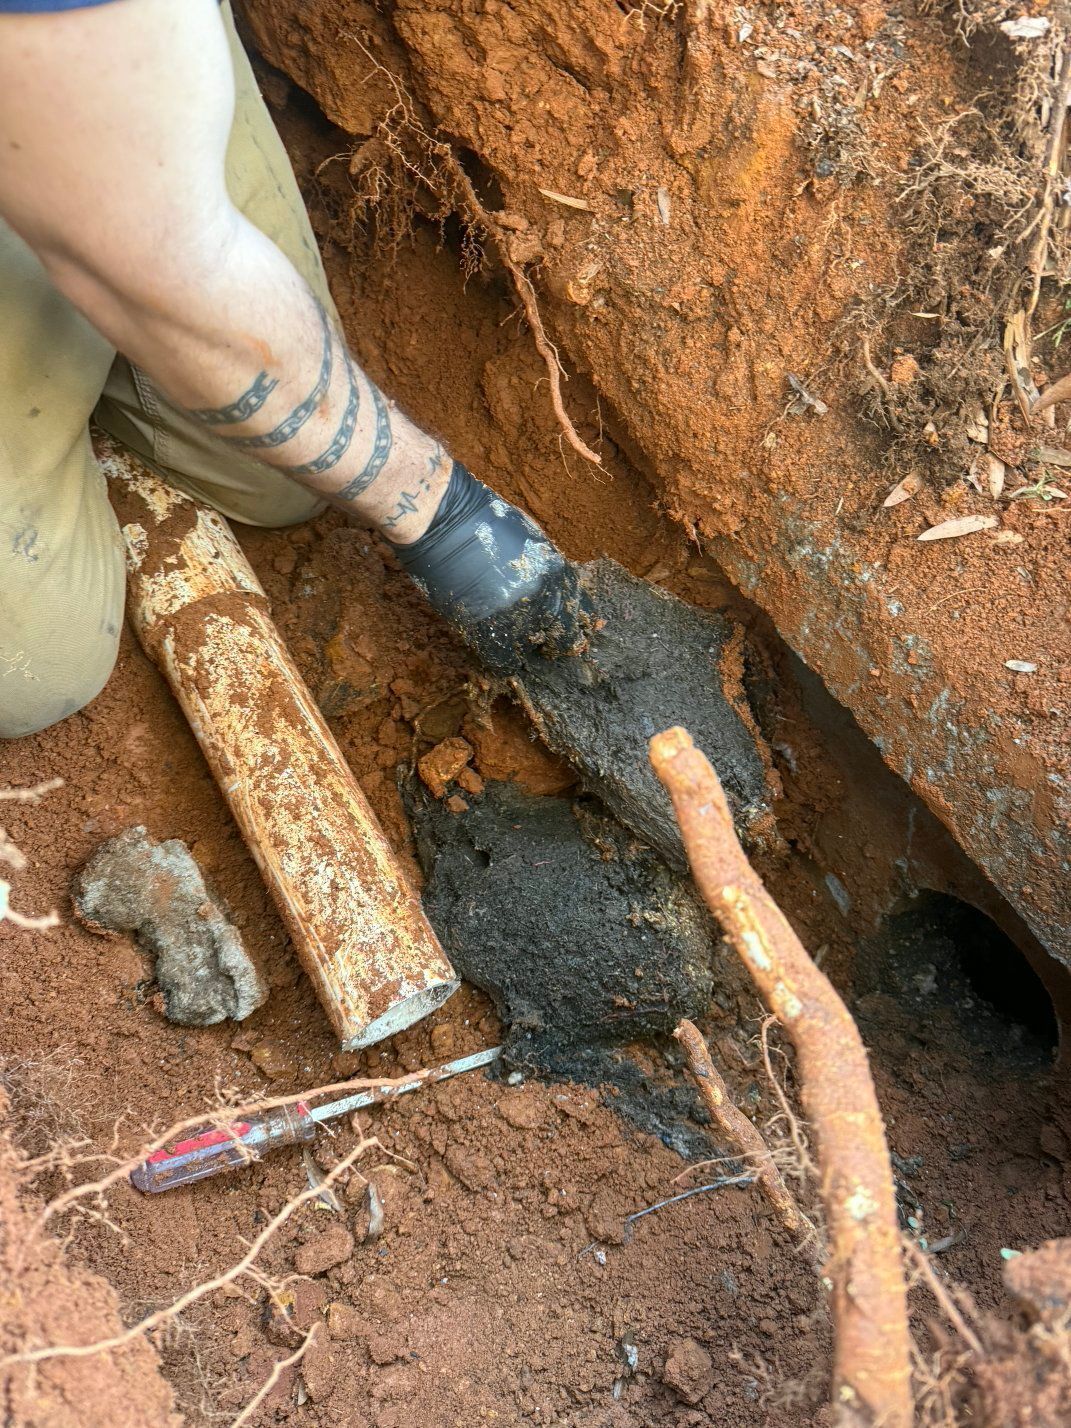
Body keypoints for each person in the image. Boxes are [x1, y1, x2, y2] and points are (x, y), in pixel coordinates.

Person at [0, 0, 587, 740]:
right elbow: (159, 270)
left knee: (286, 480)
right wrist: (444, 514)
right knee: (37, 667)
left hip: (100, 63)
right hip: (47, 114)